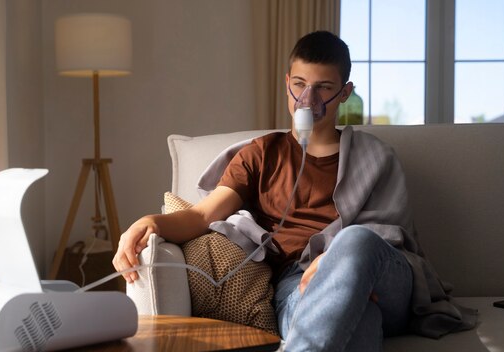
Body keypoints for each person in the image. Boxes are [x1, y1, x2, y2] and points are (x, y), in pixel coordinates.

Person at [113, 31, 476, 351]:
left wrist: (338, 263)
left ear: (345, 93)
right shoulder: (260, 154)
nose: (308, 98)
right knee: (362, 319)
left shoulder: (375, 156)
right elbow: (203, 215)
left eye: (324, 88)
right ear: (287, 82)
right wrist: (149, 222)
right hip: (299, 286)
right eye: (300, 84)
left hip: (385, 278)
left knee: (356, 241)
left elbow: (389, 236)